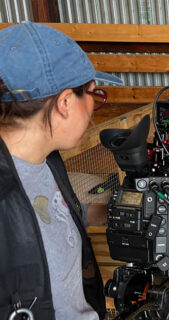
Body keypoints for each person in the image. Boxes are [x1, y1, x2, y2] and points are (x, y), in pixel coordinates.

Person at [0, 21, 123, 319]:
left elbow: (46, 211)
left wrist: (119, 211)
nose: (94, 107)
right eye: (93, 94)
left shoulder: (48, 161)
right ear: (66, 102)